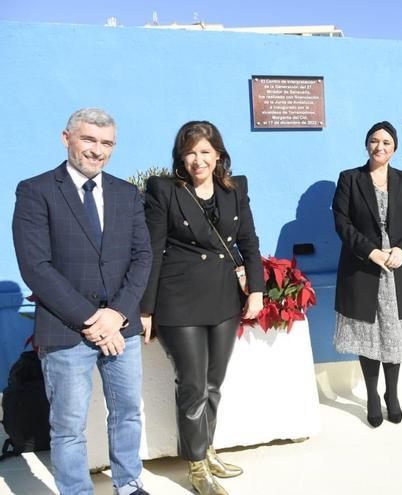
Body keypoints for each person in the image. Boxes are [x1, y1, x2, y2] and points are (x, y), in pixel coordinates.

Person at [12, 108, 152, 495]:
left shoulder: (126, 193)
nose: (97, 150)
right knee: (69, 425)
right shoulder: (35, 191)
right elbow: (36, 266)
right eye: (89, 139)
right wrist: (93, 319)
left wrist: (117, 313)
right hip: (67, 328)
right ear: (66, 138)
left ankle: (128, 483)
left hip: (122, 327)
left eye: (106, 143)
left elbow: (143, 257)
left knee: (127, 413)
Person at [139, 121, 265, 495]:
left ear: (218, 155)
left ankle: (207, 449)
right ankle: (194, 465)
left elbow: (249, 242)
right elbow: (152, 250)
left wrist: (256, 290)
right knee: (193, 384)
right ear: (181, 156)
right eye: (190, 152)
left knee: (213, 383)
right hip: (178, 301)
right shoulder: (165, 190)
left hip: (225, 299)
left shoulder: (234, 188)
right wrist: (146, 309)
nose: (198, 160)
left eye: (205, 152)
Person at [332, 121, 402, 427]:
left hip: (399, 268)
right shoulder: (350, 179)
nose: (380, 147)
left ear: (394, 148)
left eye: (386, 142)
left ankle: (392, 394)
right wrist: (370, 251)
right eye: (374, 141)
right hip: (364, 267)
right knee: (369, 336)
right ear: (366, 144)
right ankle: (372, 394)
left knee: (393, 334)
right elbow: (342, 223)